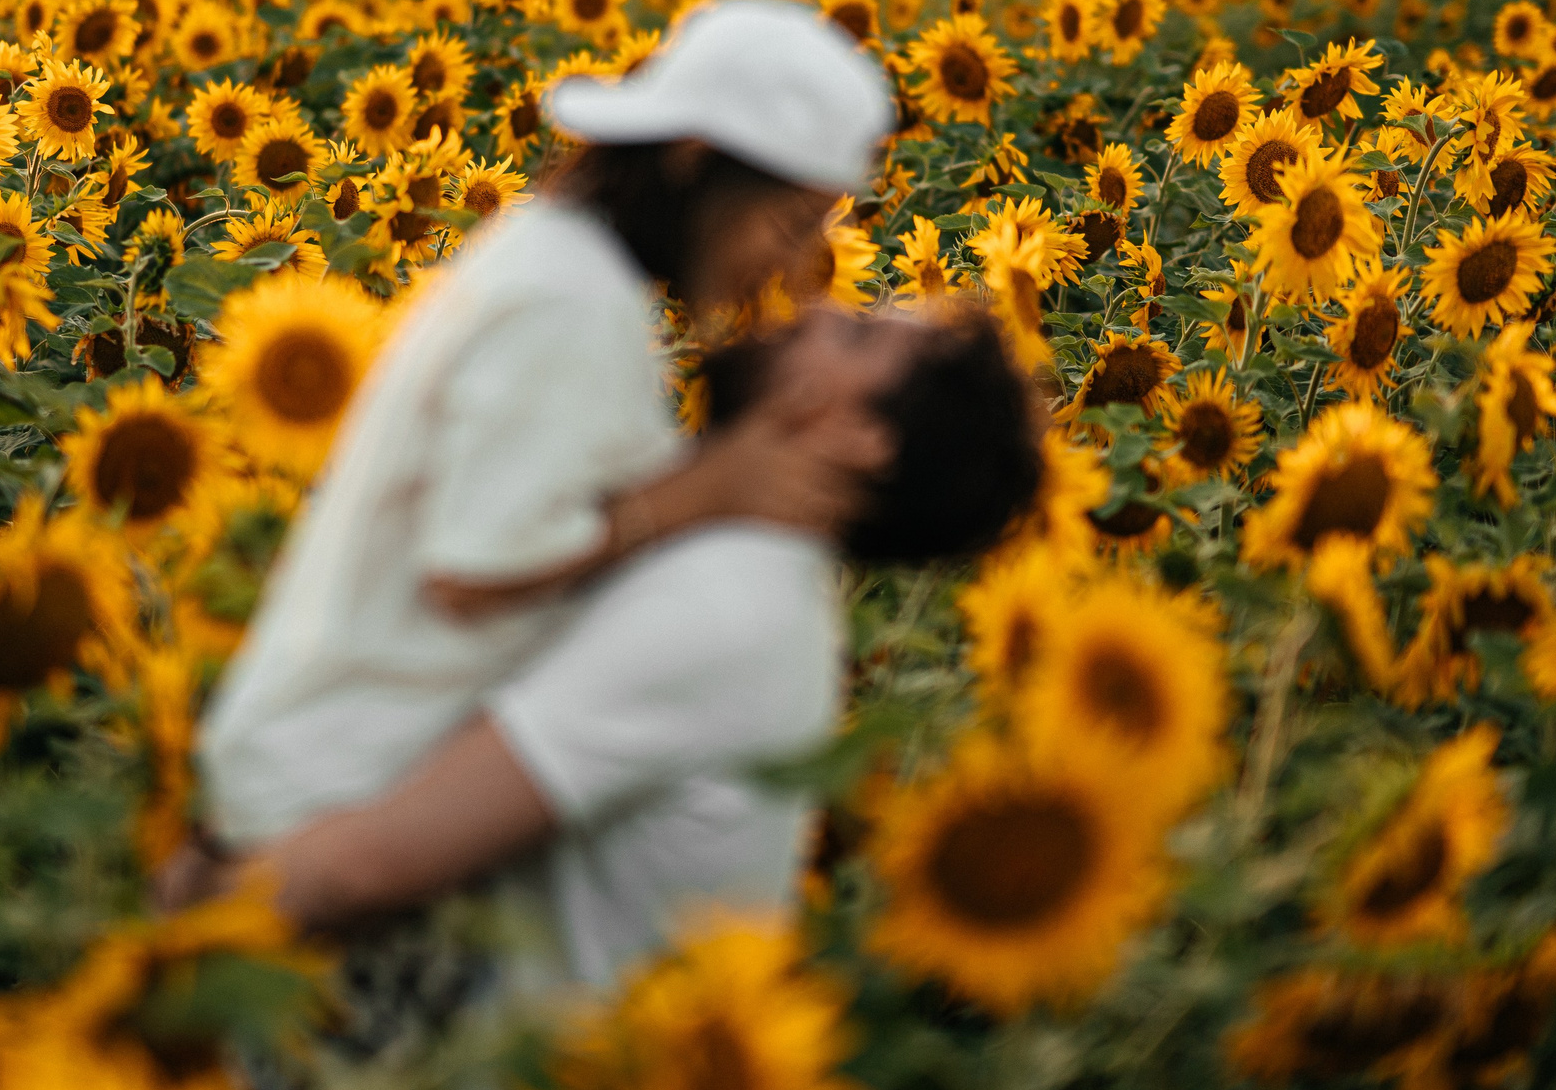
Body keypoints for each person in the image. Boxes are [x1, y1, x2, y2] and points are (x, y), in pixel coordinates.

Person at [184, 0, 898, 874]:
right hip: (323, 817)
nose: (794, 269)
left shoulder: (564, 267)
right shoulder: (570, 301)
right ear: (693, 160)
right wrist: (707, 490)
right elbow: (475, 567)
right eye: (790, 224)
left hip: (342, 791)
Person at [157, 305, 1046, 990]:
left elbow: (366, 866)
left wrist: (159, 930)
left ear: (862, 437)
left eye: (852, 334)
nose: (813, 309)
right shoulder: (742, 573)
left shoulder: (721, 608)